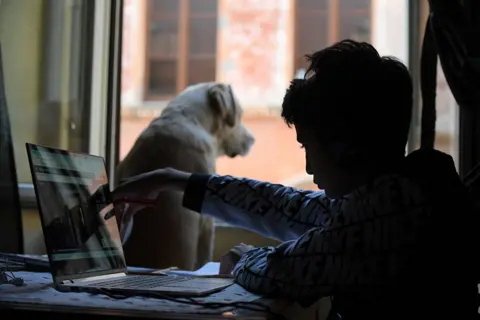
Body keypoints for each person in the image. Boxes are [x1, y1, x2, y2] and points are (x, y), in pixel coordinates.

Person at [111, 40, 476, 319]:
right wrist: (173, 179)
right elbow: (289, 207)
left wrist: (242, 258)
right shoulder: (398, 194)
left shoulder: (382, 217)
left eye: (308, 146)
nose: (308, 166)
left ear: (343, 146)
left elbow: (283, 270)